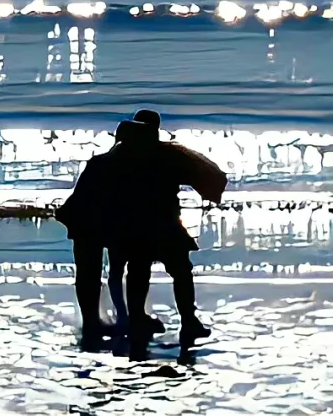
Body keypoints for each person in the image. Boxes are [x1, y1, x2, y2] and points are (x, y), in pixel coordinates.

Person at [59, 109, 225, 355]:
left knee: (141, 270)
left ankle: (136, 320)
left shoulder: (117, 158)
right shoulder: (164, 155)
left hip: (131, 225)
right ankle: (178, 321)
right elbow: (210, 174)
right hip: (147, 224)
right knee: (168, 270)